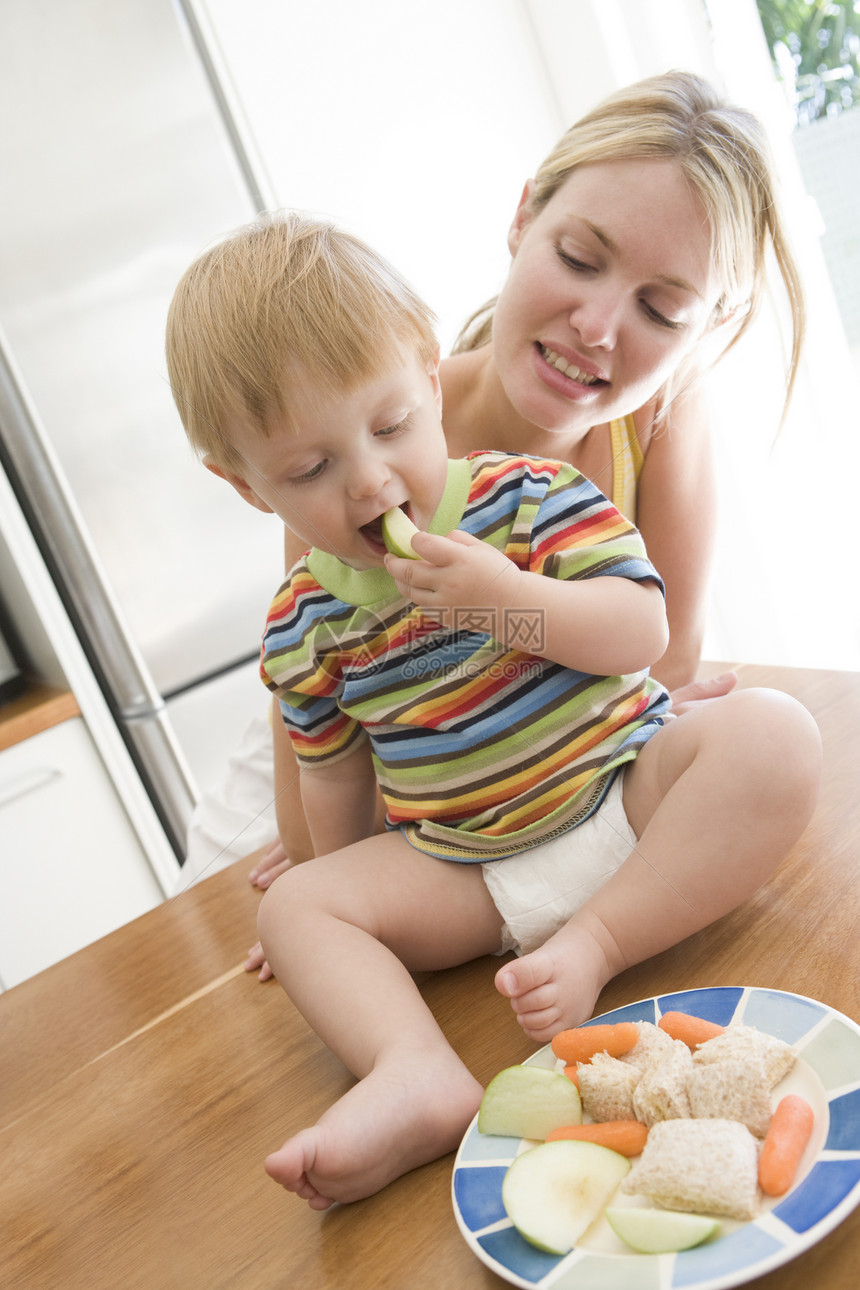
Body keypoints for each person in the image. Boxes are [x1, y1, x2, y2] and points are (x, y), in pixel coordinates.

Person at [165, 208, 821, 1209]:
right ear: (243, 485)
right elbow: (331, 775)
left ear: (429, 381)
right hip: (467, 875)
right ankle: (414, 1074)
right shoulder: (303, 620)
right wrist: (331, 913)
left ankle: (597, 941)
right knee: (299, 904)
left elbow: (637, 635)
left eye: (388, 427)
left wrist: (499, 600)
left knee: (774, 734)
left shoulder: (527, 498)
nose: (372, 479)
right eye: (310, 469)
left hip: (622, 799)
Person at [239, 68, 807, 961]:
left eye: (661, 309)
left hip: (546, 766)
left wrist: (520, 622)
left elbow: (664, 662)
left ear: (708, 326)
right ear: (521, 217)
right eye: (580, 259)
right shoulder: (365, 447)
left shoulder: (657, 425)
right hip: (386, 746)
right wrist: (328, 872)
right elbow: (315, 700)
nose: (597, 326)